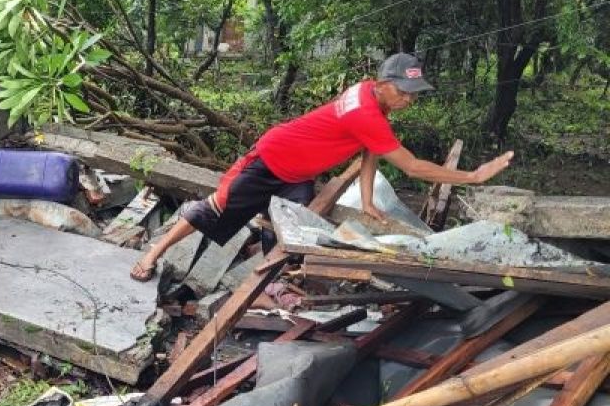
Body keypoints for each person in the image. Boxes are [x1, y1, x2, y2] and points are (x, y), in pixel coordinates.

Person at [129, 53, 514, 281]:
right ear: (382, 83)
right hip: (272, 160)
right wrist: (472, 176)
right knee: (215, 208)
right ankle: (153, 253)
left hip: (298, 173)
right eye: (403, 92)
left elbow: (370, 149)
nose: (408, 100)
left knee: (291, 229)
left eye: (413, 94)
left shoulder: (369, 95)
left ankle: (269, 285)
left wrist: (366, 199)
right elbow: (411, 167)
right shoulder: (367, 109)